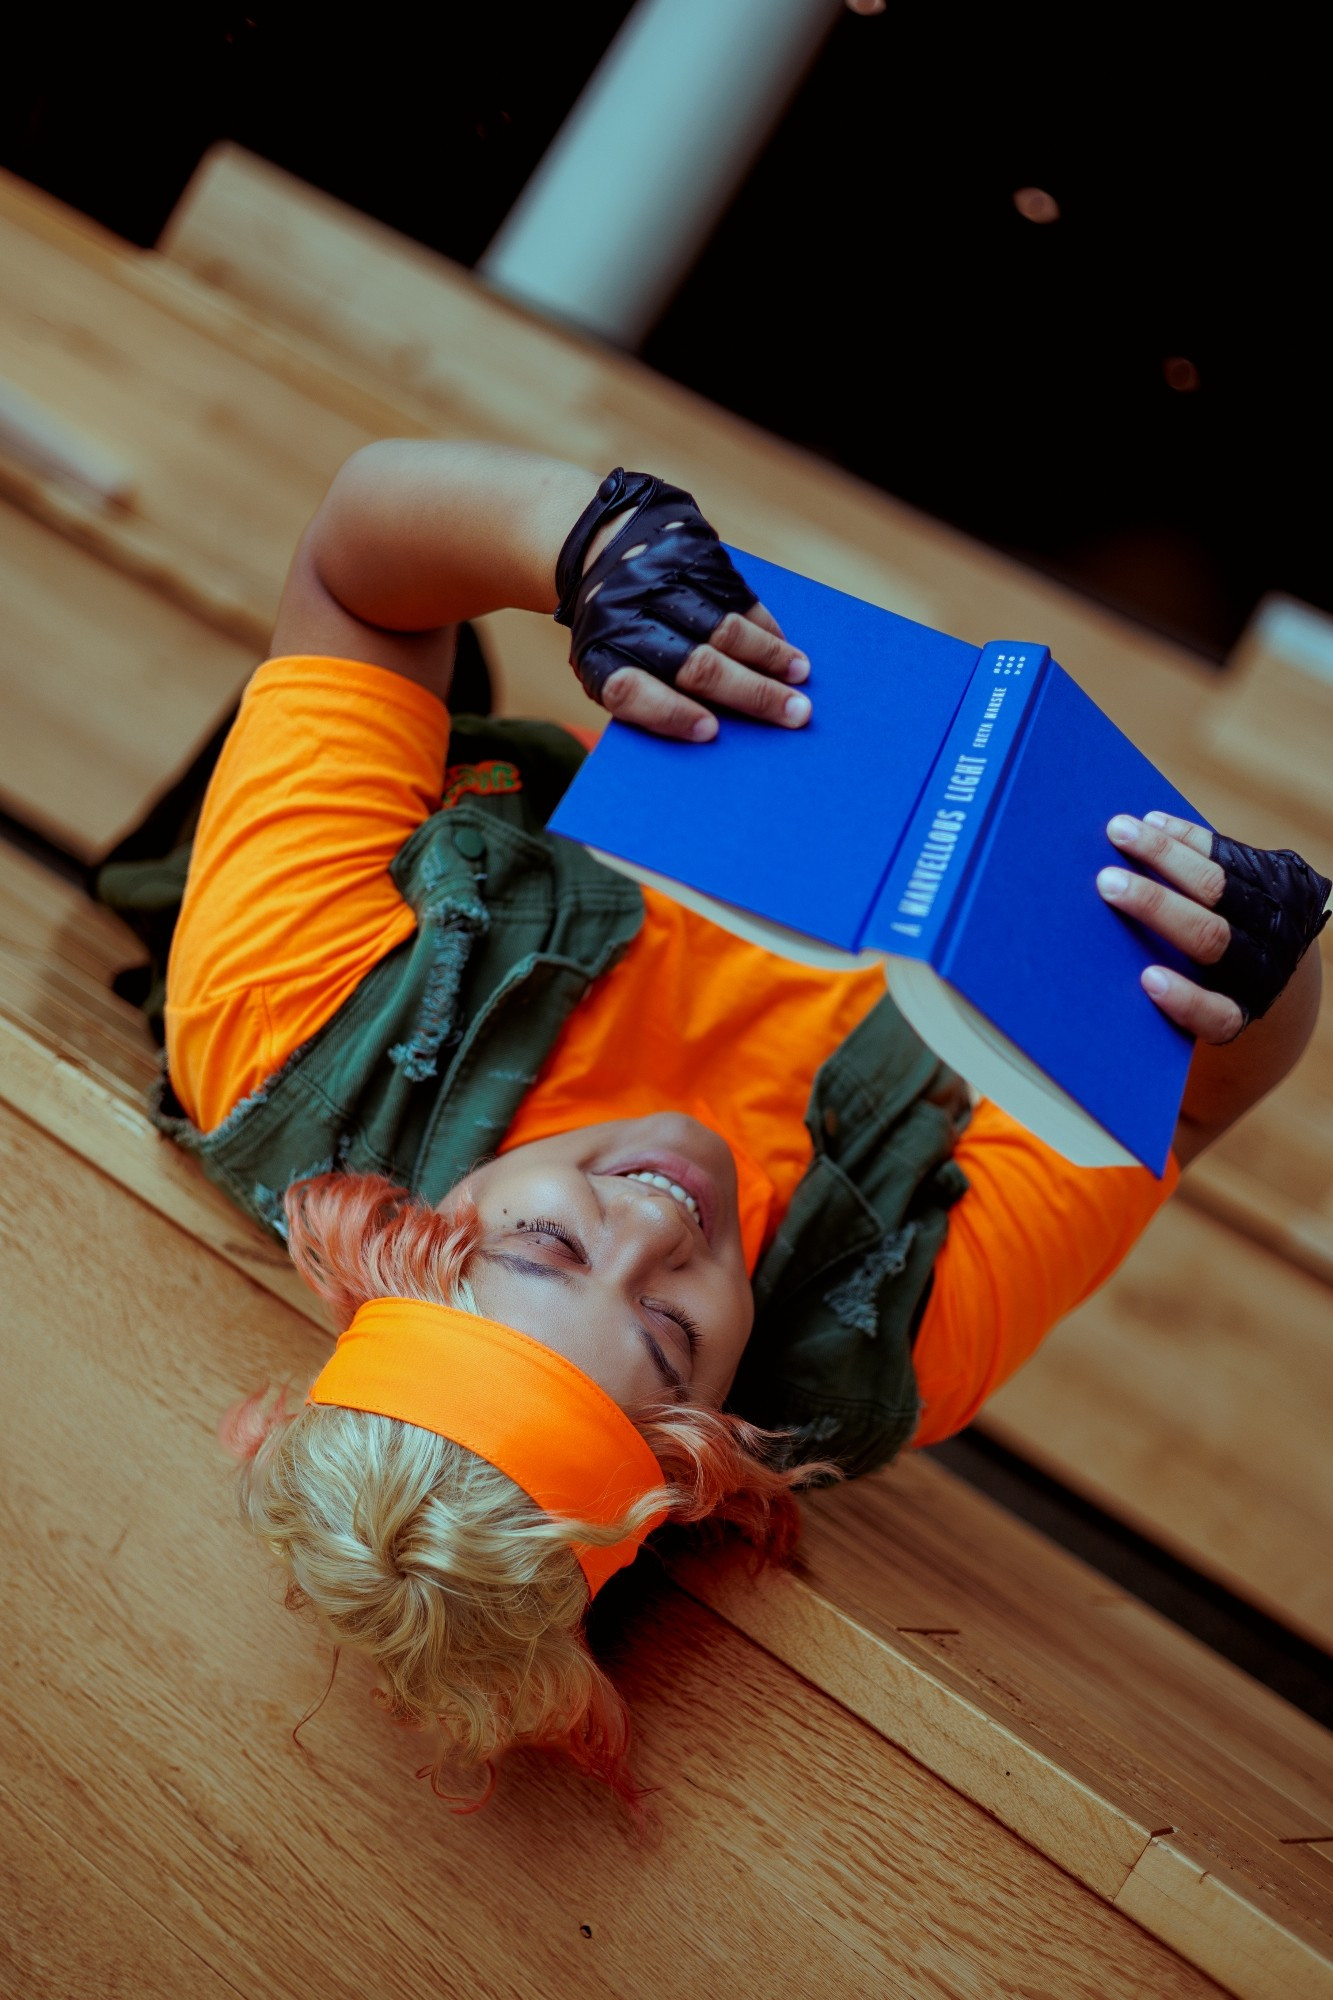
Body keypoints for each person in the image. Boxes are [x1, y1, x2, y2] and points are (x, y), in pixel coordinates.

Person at [151, 441, 1327, 1805]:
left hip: (730, 616)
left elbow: (357, 566)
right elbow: (1205, 1094)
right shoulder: (899, 1337)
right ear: (713, 1434)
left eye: (543, 1247)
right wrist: (1256, 960)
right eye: (670, 1331)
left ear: (424, 1234)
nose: (655, 1221)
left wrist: (586, 543)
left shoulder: (280, 1029)